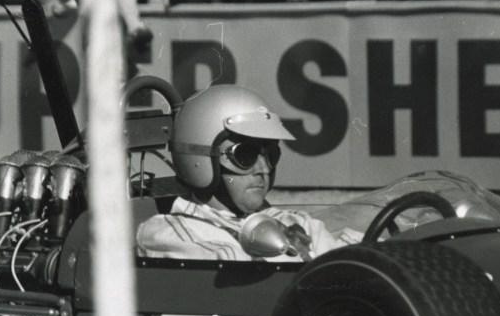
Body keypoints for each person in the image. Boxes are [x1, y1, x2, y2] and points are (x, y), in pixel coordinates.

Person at [136, 85, 360, 261]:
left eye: (271, 155)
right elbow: (230, 265)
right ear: (202, 159)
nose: (264, 169)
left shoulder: (299, 224)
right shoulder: (168, 233)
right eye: (245, 155)